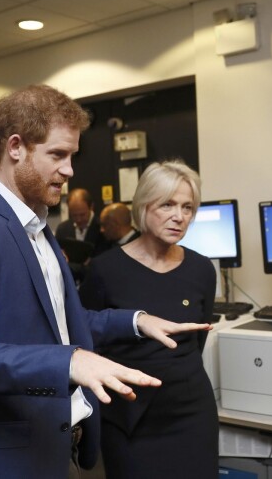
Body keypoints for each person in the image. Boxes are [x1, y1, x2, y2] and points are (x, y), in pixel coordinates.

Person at [0, 84, 212, 479]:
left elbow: (63, 324)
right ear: (16, 147)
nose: (71, 170)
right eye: (58, 155)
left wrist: (136, 321)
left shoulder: (37, 228)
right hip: (14, 454)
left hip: (62, 444)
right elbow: (59, 349)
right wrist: (68, 360)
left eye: (72, 156)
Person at [79, 160, 218, 479]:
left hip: (190, 413)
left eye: (187, 207)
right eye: (167, 204)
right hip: (130, 415)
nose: (179, 216)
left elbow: (196, 343)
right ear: (143, 206)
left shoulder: (200, 269)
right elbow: (86, 335)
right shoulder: (105, 269)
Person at [56, 187, 110, 284]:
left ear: (91, 207)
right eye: (74, 215)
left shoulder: (103, 229)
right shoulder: (62, 229)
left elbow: (101, 266)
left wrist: (71, 266)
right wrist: (83, 267)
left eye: (82, 215)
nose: (79, 219)